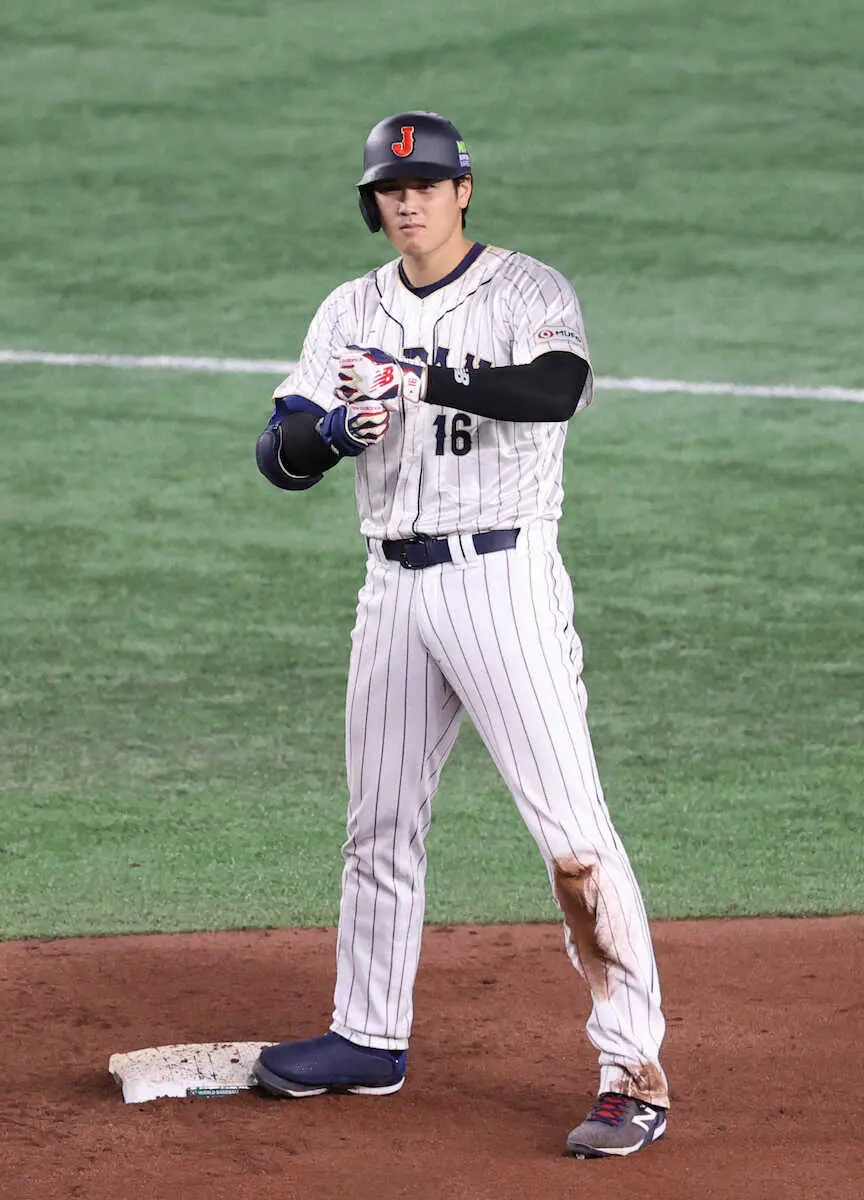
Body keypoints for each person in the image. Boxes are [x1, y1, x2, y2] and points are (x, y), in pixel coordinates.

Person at [252, 110, 670, 1159]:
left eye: (428, 185)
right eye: (392, 190)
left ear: (462, 191)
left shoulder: (530, 291)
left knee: (571, 835)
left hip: (503, 582)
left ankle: (633, 1072)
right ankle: (368, 1034)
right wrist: (334, 432)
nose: (409, 201)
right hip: (392, 589)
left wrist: (423, 379)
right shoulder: (348, 308)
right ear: (373, 202)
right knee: (378, 822)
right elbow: (278, 450)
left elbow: (556, 391)